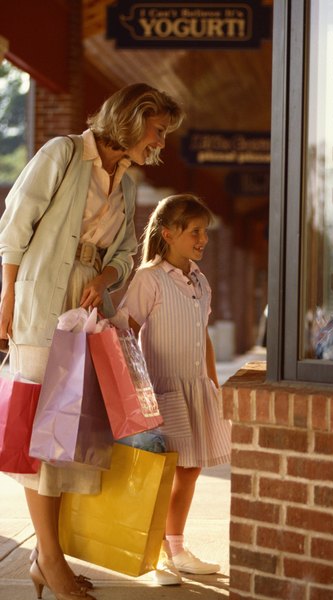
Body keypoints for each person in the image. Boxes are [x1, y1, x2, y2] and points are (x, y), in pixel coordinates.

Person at [0, 83, 184, 600]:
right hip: (40, 306)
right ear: (134, 118)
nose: (160, 143)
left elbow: (126, 252)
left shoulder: (125, 186)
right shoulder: (63, 153)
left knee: (65, 438)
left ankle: (46, 557)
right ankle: (50, 562)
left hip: (85, 314)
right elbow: (15, 225)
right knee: (40, 436)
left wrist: (105, 280)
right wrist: (7, 293)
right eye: (158, 130)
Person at [119, 193, 231, 586]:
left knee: (192, 467)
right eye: (195, 232)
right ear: (168, 233)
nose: (203, 239)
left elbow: (204, 336)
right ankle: (159, 556)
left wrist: (214, 385)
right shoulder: (149, 278)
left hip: (195, 388)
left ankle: (176, 547)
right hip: (163, 389)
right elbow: (126, 331)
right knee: (166, 471)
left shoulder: (199, 280)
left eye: (205, 232)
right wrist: (136, 390)